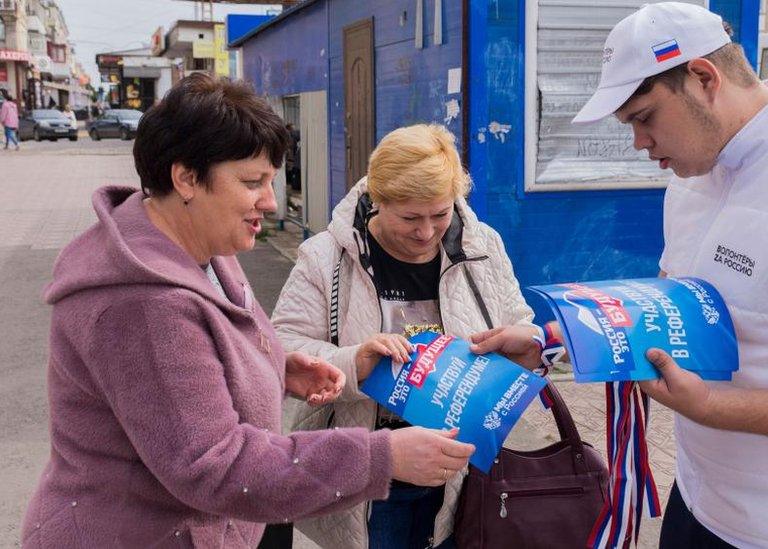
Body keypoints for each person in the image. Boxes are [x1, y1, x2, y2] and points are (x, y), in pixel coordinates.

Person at [478, 3, 768, 548]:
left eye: (644, 117)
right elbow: (669, 318)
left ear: (702, 77)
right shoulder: (697, 172)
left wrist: (716, 408)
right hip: (701, 505)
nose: (639, 145)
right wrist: (554, 344)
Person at [21, 74, 474, 548]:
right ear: (186, 178)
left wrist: (275, 365)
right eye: (252, 182)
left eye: (272, 181)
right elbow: (213, 464)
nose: (272, 201)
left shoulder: (203, 248)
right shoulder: (145, 305)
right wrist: (381, 458)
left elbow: (200, 362)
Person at [272, 123, 536, 548]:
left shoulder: (482, 246)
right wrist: (356, 361)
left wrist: (527, 344)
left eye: (440, 214)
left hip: (465, 473)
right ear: (378, 199)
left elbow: (521, 323)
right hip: (378, 477)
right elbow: (281, 347)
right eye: (410, 217)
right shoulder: (327, 258)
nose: (427, 232)